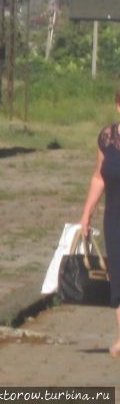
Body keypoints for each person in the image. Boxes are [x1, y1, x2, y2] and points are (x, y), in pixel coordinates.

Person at [79, 92, 120, 356]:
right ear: (117, 105)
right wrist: (86, 214)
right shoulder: (107, 137)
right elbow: (99, 177)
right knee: (117, 274)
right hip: (115, 217)